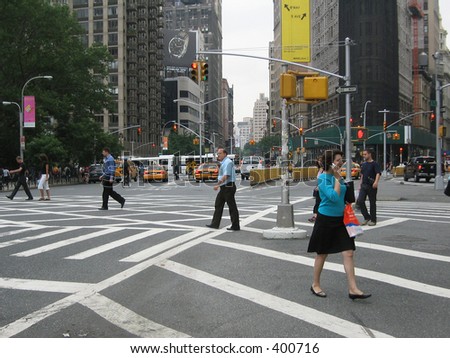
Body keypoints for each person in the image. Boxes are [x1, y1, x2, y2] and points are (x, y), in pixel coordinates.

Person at [307, 149, 371, 300]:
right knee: (322, 253)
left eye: (341, 160)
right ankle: (315, 284)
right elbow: (334, 197)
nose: (341, 162)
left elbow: (345, 196)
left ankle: (353, 288)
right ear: (330, 163)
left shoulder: (338, 177)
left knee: (348, 252)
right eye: (337, 160)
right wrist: (337, 178)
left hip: (341, 219)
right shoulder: (323, 178)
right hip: (325, 219)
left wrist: (340, 180)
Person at [206, 147, 240, 231]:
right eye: (218, 154)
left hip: (228, 186)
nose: (218, 155)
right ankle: (215, 224)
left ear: (225, 154)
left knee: (232, 206)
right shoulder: (224, 162)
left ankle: (235, 225)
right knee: (218, 204)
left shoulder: (227, 162)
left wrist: (218, 184)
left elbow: (226, 175)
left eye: (220, 153)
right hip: (225, 187)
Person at [356, 148, 381, 226]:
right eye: (363, 154)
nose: (364, 156)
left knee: (372, 203)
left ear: (369, 154)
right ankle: (366, 217)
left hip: (372, 185)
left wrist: (376, 182)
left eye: (365, 154)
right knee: (360, 201)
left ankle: (373, 220)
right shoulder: (363, 164)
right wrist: (360, 185)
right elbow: (362, 175)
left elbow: (378, 173)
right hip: (364, 185)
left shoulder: (374, 164)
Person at [308, 155, 324, 223]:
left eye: (321, 160)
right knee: (317, 202)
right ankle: (315, 216)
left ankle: (318, 216)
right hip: (318, 188)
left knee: (321, 202)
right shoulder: (320, 169)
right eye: (319, 160)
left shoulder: (326, 169)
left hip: (323, 189)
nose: (319, 162)